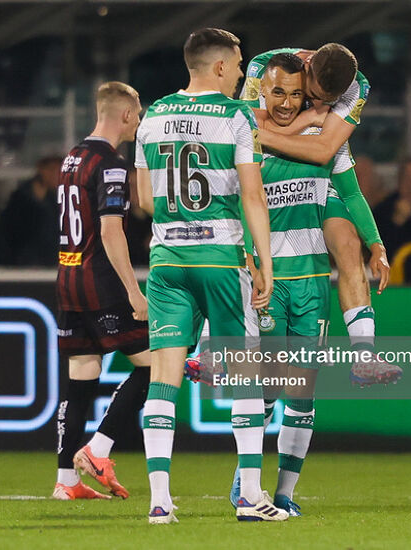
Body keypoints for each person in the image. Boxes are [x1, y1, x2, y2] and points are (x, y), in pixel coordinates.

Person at [136, 28, 286, 524]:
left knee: (164, 378)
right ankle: (250, 495)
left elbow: (143, 201)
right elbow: (253, 196)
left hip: (167, 262)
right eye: (240, 64)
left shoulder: (153, 114)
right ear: (220, 67)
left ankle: (159, 501)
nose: (243, 73)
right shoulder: (237, 115)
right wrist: (265, 264)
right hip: (220, 258)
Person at [228, 53, 388, 516]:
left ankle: (283, 495)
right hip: (270, 280)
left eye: (300, 96)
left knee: (302, 393)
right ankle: (248, 480)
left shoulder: (328, 136)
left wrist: (376, 242)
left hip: (313, 284)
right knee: (265, 391)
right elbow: (243, 140)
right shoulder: (249, 147)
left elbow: (351, 190)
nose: (292, 102)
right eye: (284, 93)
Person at [241, 46, 399, 386]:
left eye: (328, 102)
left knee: (347, 242)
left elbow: (328, 150)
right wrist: (309, 120)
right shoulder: (262, 68)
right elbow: (248, 132)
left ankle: (364, 356)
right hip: (264, 186)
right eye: (309, 96)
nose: (321, 106)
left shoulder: (357, 87)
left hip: (316, 177)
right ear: (305, 68)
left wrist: (377, 244)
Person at [52, 81, 150, 501]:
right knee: (155, 366)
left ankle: (66, 482)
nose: (140, 118)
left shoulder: (72, 157)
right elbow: (111, 230)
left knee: (80, 381)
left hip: (68, 280)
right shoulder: (111, 164)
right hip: (101, 284)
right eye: (138, 111)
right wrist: (134, 290)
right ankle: (98, 448)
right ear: (125, 114)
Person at [0, 156, 62, 265]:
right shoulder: (21, 199)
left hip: (50, 265)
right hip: (22, 266)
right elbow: (10, 235)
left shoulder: (57, 200)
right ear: (41, 169)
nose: (55, 174)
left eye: (60, 170)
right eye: (51, 169)